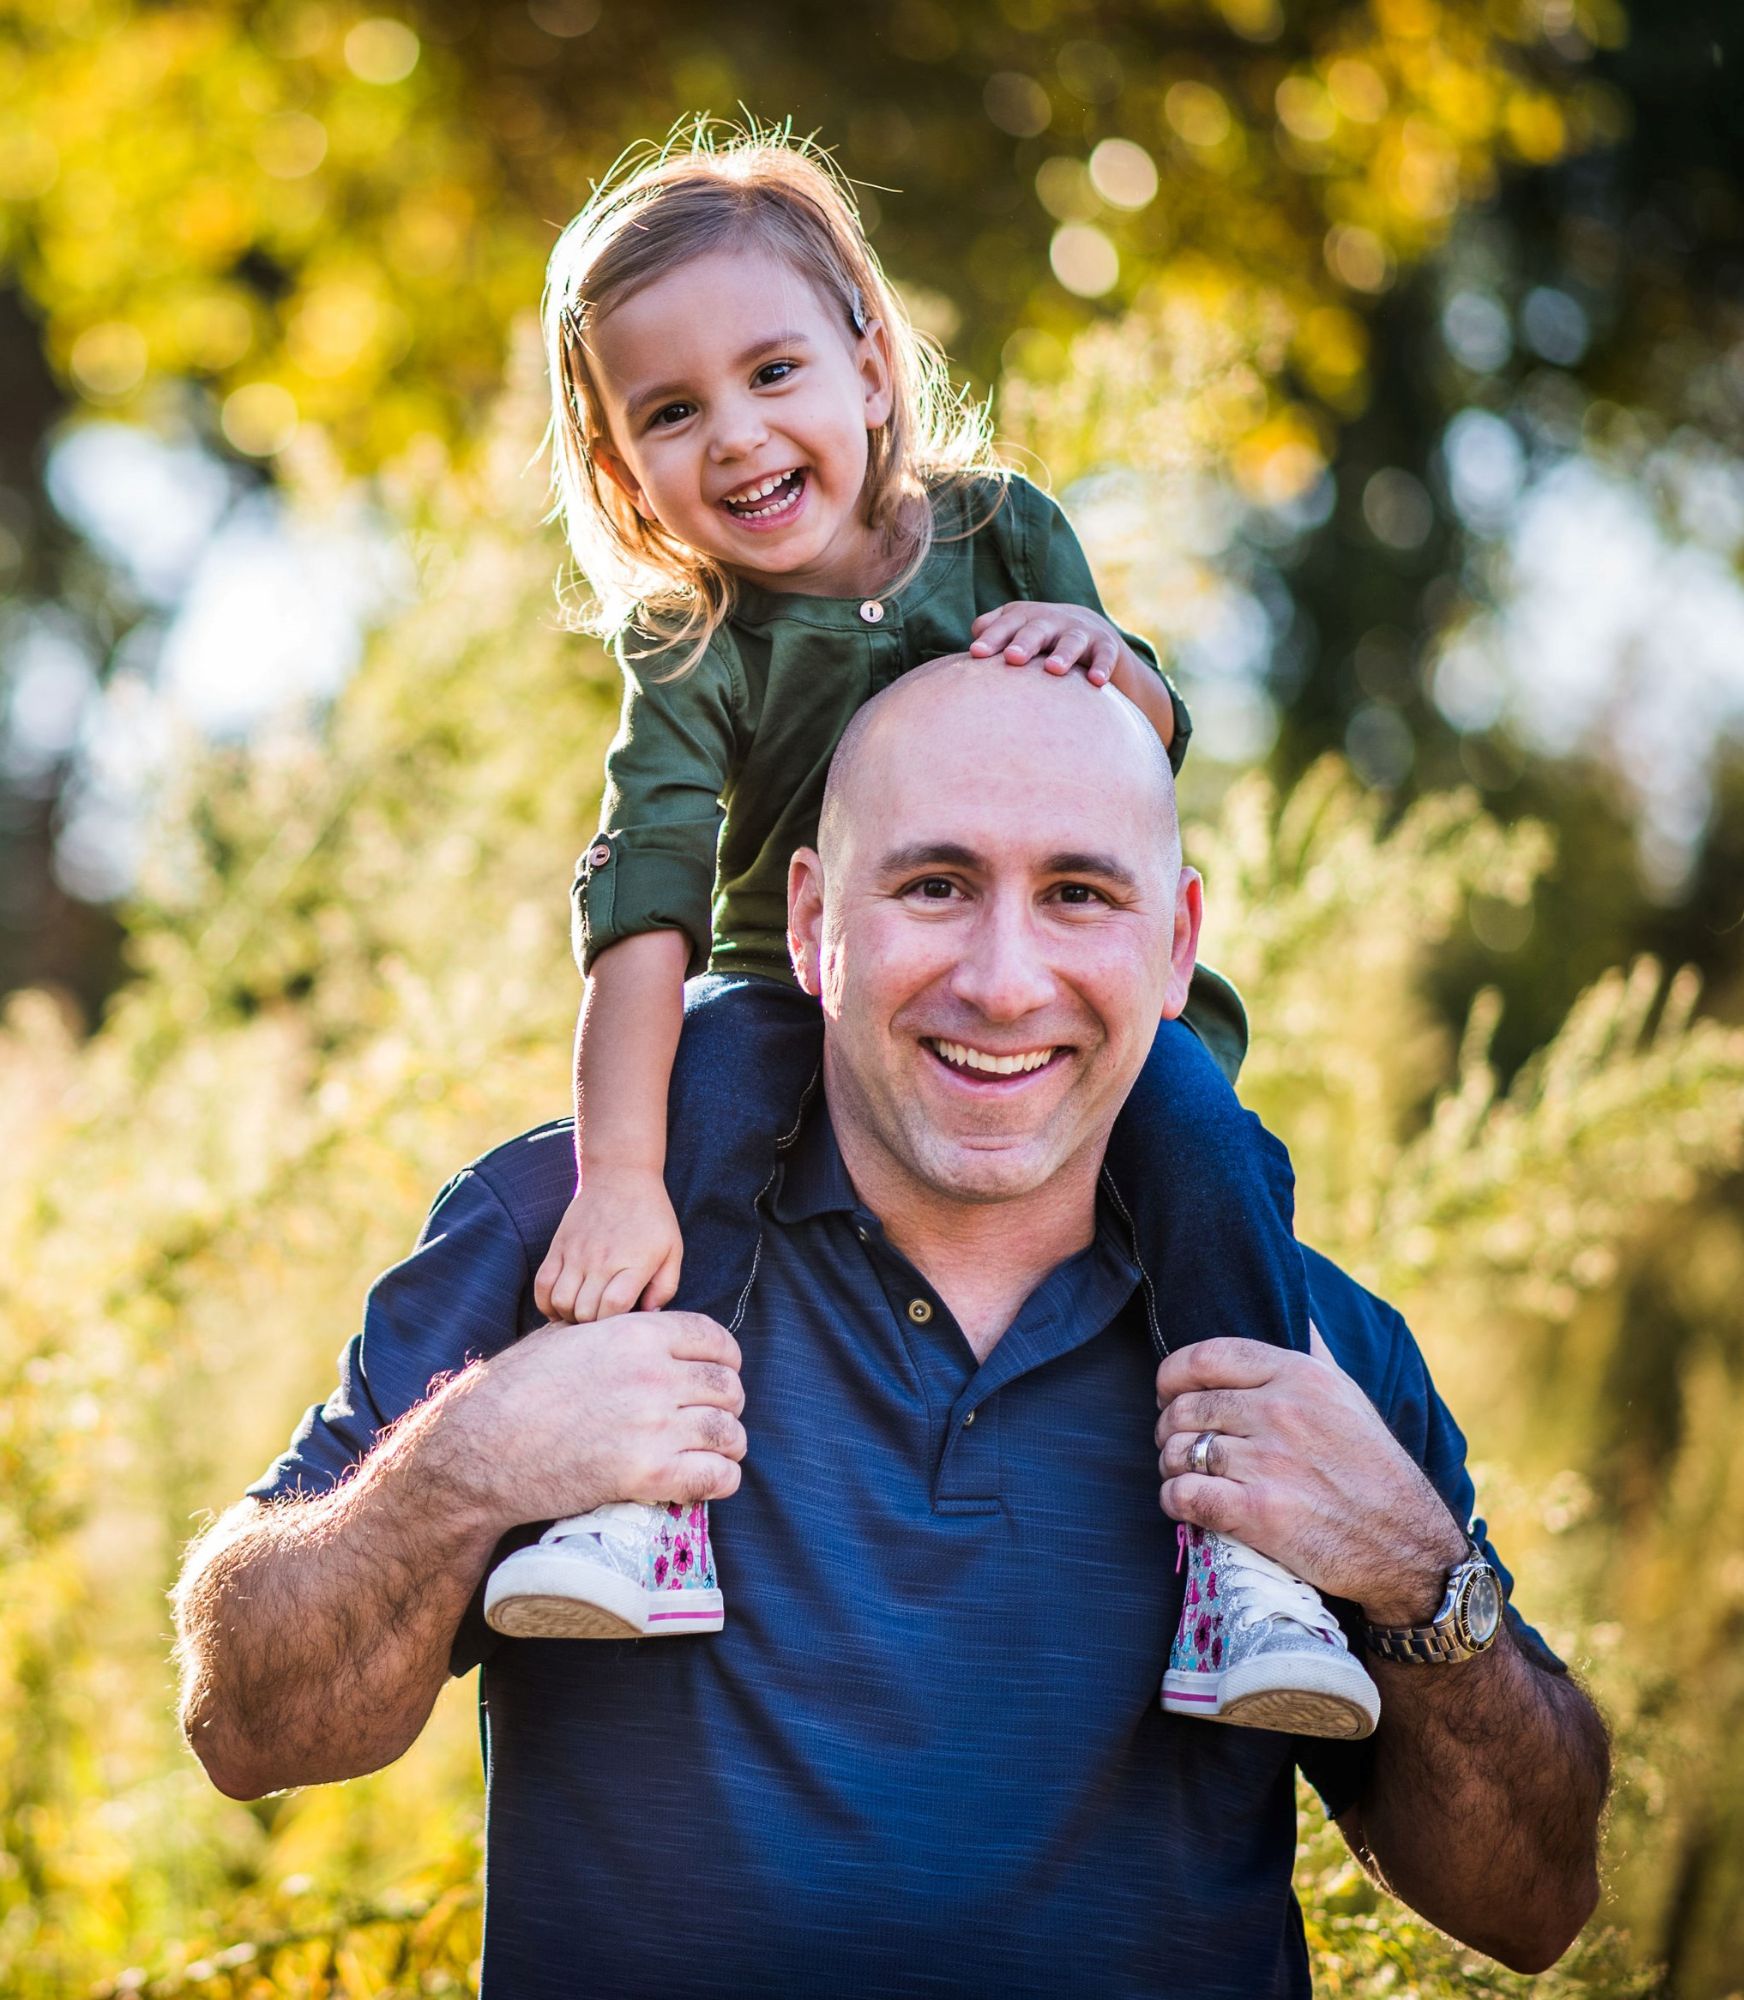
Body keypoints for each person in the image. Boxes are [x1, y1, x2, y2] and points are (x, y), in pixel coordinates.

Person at [175, 660, 1609, 1998]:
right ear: (810, 922)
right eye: (934, 886)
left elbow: (1533, 1904)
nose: (1003, 980)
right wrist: (467, 1464)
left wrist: (1419, 1578)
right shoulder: (575, 1238)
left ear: (1178, 946)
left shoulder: (1304, 1346)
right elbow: (246, 1722)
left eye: (1079, 896)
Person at [496, 120, 1375, 1736]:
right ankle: (645, 1497)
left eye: (773, 372)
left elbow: (1142, 748)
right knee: (712, 1102)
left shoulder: (1001, 528)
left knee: (1205, 1145)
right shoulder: (695, 644)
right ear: (622, 471)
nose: (737, 435)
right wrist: (616, 1176)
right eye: (672, 412)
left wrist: (1115, 663)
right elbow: (645, 915)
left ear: (869, 366)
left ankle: (1254, 1560)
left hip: (1034, 976)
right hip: (790, 984)